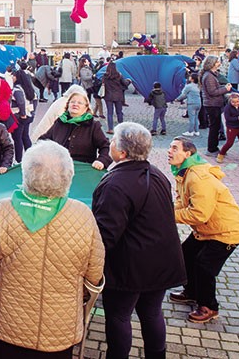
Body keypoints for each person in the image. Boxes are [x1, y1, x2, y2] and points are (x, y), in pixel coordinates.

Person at [0, 140, 104, 358]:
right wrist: (74, 296)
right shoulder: (82, 215)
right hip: (59, 329)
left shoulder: (5, 209)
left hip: (6, 323)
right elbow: (94, 274)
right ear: (68, 175)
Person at [91, 123, 185, 359]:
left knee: (119, 316)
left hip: (130, 265)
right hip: (161, 260)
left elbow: (106, 234)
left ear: (122, 153)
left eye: (113, 142)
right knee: (152, 312)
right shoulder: (156, 174)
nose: (110, 144)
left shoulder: (116, 183)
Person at [167, 136, 239, 323]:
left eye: (174, 148)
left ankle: (208, 306)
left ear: (188, 153)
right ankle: (192, 292)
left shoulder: (198, 177)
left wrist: (167, 216)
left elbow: (199, 214)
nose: (169, 151)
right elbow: (181, 200)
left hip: (226, 232)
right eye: (170, 147)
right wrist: (168, 210)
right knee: (186, 254)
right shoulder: (184, 172)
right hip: (207, 231)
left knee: (204, 266)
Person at [38, 91, 111, 170]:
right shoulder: (60, 122)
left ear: (86, 108)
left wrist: (101, 161)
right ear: (68, 105)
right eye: (72, 102)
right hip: (58, 169)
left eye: (80, 103)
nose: (75, 104)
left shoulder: (93, 126)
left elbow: (106, 147)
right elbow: (44, 140)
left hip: (83, 170)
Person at [200, 56, 232, 155]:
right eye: (217, 62)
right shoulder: (209, 76)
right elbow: (212, 91)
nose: (219, 63)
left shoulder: (212, 75)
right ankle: (211, 149)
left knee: (216, 126)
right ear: (212, 64)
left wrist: (223, 87)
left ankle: (214, 147)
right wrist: (225, 89)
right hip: (212, 104)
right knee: (214, 127)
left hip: (214, 104)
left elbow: (215, 88)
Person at [10, 69, 37, 163]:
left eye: (13, 76)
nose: (12, 77)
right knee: (25, 136)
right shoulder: (29, 88)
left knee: (17, 138)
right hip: (29, 115)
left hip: (19, 116)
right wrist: (32, 113)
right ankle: (31, 157)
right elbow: (35, 100)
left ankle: (18, 160)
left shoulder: (17, 89)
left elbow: (20, 102)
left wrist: (22, 114)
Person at [217, 93, 239, 165]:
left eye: (237, 102)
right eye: (233, 102)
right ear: (230, 101)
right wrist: (237, 118)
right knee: (230, 143)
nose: (235, 103)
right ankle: (221, 154)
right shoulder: (227, 108)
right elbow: (228, 118)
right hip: (231, 127)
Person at [102, 60, 130, 134]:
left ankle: (110, 128)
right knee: (119, 112)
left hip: (108, 96)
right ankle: (121, 127)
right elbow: (125, 83)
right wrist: (129, 81)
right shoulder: (119, 75)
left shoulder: (105, 76)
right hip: (118, 95)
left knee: (109, 113)